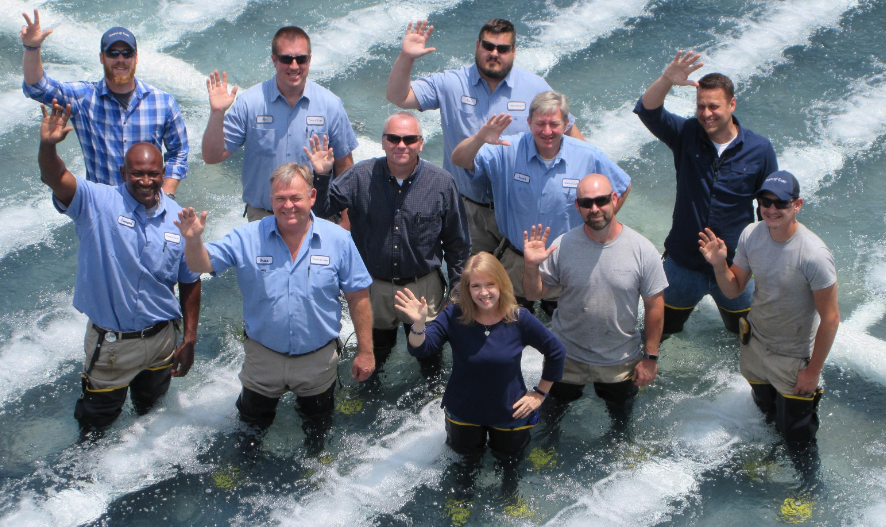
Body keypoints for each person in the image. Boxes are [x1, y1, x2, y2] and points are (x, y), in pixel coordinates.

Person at [175, 162, 375, 445]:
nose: (288, 205)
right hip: (263, 358)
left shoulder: (339, 240)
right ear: (271, 200)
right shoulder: (246, 236)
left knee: (318, 424)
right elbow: (201, 263)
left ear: (312, 197)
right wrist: (194, 240)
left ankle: (316, 469)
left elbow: (358, 296)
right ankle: (241, 468)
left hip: (317, 359)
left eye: (296, 197)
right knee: (250, 425)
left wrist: (366, 351)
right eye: (280, 198)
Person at [38, 101, 201, 429]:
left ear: (163, 174)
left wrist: (190, 339)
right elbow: (55, 177)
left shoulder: (178, 219)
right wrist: (48, 145)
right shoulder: (96, 202)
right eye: (137, 173)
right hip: (113, 348)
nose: (145, 180)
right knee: (95, 426)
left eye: (153, 173)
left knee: (152, 416)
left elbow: (191, 280)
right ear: (124, 173)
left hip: (161, 342)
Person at [386, 19, 585, 256]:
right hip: (467, 208)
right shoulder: (451, 83)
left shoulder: (535, 87)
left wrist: (584, 187)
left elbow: (569, 132)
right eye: (488, 46)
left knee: (520, 285)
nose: (494, 53)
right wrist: (407, 57)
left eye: (502, 49)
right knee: (472, 282)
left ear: (513, 52)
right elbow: (398, 96)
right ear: (477, 45)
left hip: (522, 206)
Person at [310, 111, 470, 372]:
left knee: (429, 354)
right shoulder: (359, 176)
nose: (401, 145)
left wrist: (457, 292)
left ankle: (430, 401)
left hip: (423, 288)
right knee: (375, 352)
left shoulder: (442, 183)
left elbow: (458, 244)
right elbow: (320, 210)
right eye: (394, 138)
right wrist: (322, 175)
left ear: (420, 142)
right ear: (383, 141)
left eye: (409, 139)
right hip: (374, 287)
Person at [634, 50, 778, 337]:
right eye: (701, 106)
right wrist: (666, 79)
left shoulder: (760, 149)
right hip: (683, 263)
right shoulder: (686, 133)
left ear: (732, 104)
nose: (706, 113)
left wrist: (767, 259)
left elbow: (771, 208)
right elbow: (648, 110)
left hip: (735, 266)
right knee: (658, 331)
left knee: (747, 334)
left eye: (714, 106)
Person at [451, 91, 631, 314]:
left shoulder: (588, 155)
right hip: (516, 260)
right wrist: (479, 138)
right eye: (540, 124)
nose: (547, 131)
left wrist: (599, 227)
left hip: (566, 261)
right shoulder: (506, 149)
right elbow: (459, 160)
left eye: (554, 124)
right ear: (528, 122)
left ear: (566, 124)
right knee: (508, 324)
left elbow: (622, 187)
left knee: (563, 327)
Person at [699, 171, 839, 444]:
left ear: (796, 205)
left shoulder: (814, 255)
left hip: (793, 360)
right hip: (756, 345)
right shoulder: (752, 233)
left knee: (798, 437)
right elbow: (734, 288)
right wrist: (719, 264)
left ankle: (804, 487)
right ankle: (769, 458)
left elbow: (831, 319)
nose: (771, 209)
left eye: (781, 203)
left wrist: (813, 372)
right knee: (765, 414)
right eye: (765, 202)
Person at [522, 174, 666, 425]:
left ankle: (623, 451)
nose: (595, 209)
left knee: (621, 418)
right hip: (566, 356)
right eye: (587, 203)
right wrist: (531, 267)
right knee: (552, 415)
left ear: (614, 199)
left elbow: (655, 304)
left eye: (601, 200)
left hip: (619, 360)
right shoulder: (563, 245)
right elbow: (535, 294)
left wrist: (650, 358)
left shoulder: (642, 249)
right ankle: (547, 451)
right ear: (577, 206)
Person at [394, 252, 565, 459]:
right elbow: (422, 348)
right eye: (475, 286)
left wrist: (539, 394)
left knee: (510, 469)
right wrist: (419, 324)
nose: (484, 293)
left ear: (501, 284)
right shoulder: (453, 315)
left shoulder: (519, 318)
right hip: (463, 414)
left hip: (510, 414)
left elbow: (556, 351)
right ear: (467, 288)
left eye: (490, 284)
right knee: (464, 469)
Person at [21, 13, 189, 196]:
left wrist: (167, 194)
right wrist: (32, 48)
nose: (120, 59)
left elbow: (178, 153)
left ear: (136, 57)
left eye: (127, 53)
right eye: (113, 53)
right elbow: (37, 88)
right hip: (102, 207)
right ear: (102, 57)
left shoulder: (163, 102)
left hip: (149, 205)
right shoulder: (84, 97)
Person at [203, 26, 359, 223]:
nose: (294, 66)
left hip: (316, 218)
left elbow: (345, 168)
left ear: (309, 60)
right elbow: (212, 156)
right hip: (263, 217)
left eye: (301, 59)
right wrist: (217, 113)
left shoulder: (331, 105)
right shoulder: (249, 103)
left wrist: (346, 222)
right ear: (274, 60)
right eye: (286, 59)